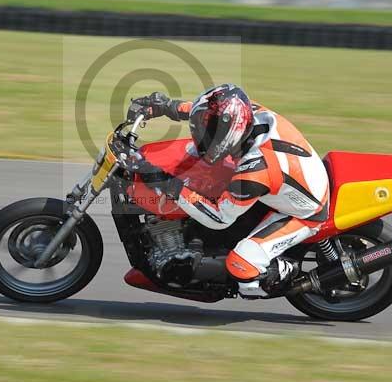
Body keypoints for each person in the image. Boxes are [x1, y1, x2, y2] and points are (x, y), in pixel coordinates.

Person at [129, 84, 329, 297]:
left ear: (228, 134)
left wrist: (168, 184)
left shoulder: (255, 171)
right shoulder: (246, 112)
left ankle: (285, 272)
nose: (202, 136)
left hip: (303, 212)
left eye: (210, 133)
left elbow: (219, 217)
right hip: (287, 180)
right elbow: (208, 112)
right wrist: (166, 107)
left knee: (242, 269)